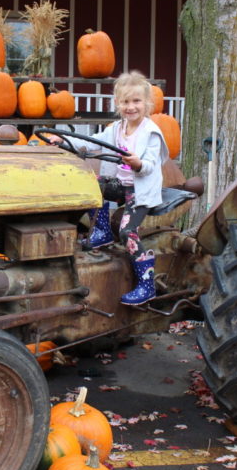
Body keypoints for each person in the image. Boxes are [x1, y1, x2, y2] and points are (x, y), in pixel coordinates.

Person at [51, 71, 169, 305]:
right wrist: (65, 142)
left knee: (127, 232)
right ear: (118, 104)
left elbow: (150, 166)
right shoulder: (117, 128)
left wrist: (138, 163)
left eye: (136, 101)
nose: (131, 107)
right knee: (91, 184)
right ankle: (102, 231)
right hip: (121, 184)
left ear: (147, 104)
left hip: (140, 190)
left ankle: (146, 284)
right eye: (125, 102)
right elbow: (92, 141)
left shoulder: (151, 133)